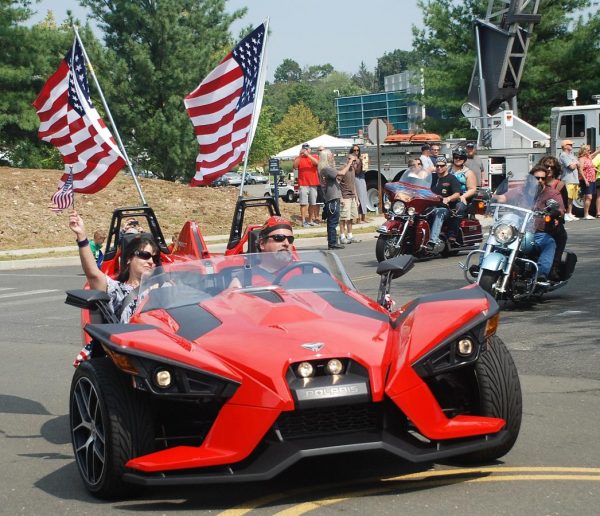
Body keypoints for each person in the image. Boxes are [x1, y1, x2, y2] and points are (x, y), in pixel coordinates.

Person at [69, 210, 161, 323]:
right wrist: (81, 235)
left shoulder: (165, 287)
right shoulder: (116, 289)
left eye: (155, 258)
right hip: (129, 339)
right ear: (128, 259)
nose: (151, 261)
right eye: (145, 255)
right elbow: (93, 274)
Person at [492, 165, 564, 282]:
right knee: (495, 237)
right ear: (530, 178)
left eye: (542, 178)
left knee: (549, 242)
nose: (540, 180)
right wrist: (490, 196)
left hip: (537, 232)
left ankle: (541, 274)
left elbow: (560, 210)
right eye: (536, 178)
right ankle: (481, 266)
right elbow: (503, 198)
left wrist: (555, 212)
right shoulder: (520, 191)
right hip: (515, 231)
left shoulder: (552, 193)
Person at [228, 216, 295, 288]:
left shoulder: (304, 269)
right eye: (279, 238)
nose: (287, 243)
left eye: (290, 239)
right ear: (262, 244)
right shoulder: (244, 279)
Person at [318, 148, 355, 250]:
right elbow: (342, 173)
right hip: (332, 198)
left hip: (332, 197)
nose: (332, 156)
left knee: (332, 222)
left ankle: (332, 242)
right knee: (333, 222)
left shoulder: (326, 168)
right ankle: (332, 243)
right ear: (326, 157)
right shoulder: (326, 169)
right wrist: (349, 163)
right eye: (330, 155)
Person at [538, 156, 568, 280]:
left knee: (561, 235)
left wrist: (558, 217)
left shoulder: (559, 185)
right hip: (532, 220)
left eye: (552, 167)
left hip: (550, 220)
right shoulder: (537, 182)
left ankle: (553, 267)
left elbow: (563, 207)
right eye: (546, 166)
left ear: (556, 169)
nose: (549, 168)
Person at [427, 155, 461, 248]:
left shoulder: (451, 178)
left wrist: (448, 198)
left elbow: (457, 194)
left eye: (442, 166)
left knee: (439, 211)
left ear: (446, 166)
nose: (439, 167)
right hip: (430, 206)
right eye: (437, 166)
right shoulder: (431, 178)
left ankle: (432, 241)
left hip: (445, 208)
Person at [448, 146, 478, 243]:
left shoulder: (468, 173)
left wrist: (463, 196)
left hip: (461, 198)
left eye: (460, 157)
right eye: (456, 157)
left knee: (458, 208)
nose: (458, 159)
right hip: (446, 197)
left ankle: (452, 235)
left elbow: (473, 189)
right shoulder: (446, 169)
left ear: (464, 159)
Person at [293, 143, 321, 227]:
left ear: (310, 150)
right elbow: (295, 166)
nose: (305, 150)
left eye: (307, 149)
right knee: (303, 203)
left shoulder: (314, 156)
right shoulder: (299, 158)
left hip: (313, 183)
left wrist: (308, 155)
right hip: (303, 184)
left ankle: (310, 220)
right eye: (304, 149)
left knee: (313, 203)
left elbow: (317, 163)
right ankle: (303, 221)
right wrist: (300, 155)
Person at [339, 149, 360, 244]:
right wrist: (341, 198)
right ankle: (342, 236)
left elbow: (353, 185)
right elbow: (337, 183)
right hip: (345, 197)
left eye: (355, 161)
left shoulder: (353, 170)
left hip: (352, 197)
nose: (353, 162)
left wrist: (356, 198)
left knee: (351, 217)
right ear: (347, 160)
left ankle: (350, 235)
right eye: (352, 160)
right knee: (343, 218)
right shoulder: (343, 169)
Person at [558, 139, 581, 221]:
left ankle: (570, 213)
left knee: (571, 198)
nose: (571, 146)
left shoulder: (571, 155)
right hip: (567, 179)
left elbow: (578, 164)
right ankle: (566, 213)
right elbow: (571, 167)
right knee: (567, 197)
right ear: (564, 146)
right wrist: (576, 163)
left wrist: (575, 163)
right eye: (569, 144)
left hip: (574, 179)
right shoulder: (563, 155)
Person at [577, 144, 600, 220]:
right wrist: (585, 179)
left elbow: (592, 163)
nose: (590, 151)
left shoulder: (588, 158)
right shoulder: (582, 159)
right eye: (588, 150)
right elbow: (580, 170)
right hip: (586, 180)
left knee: (588, 197)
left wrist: (597, 170)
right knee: (588, 196)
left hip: (592, 179)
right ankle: (586, 214)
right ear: (584, 151)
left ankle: (586, 213)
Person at [351, 145, 368, 224]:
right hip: (356, 178)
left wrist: (366, 163)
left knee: (364, 197)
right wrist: (361, 162)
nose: (356, 152)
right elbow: (356, 171)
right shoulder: (352, 159)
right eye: (354, 150)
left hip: (362, 177)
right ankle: (358, 219)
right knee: (359, 197)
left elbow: (363, 170)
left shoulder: (359, 158)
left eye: (357, 150)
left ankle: (364, 217)